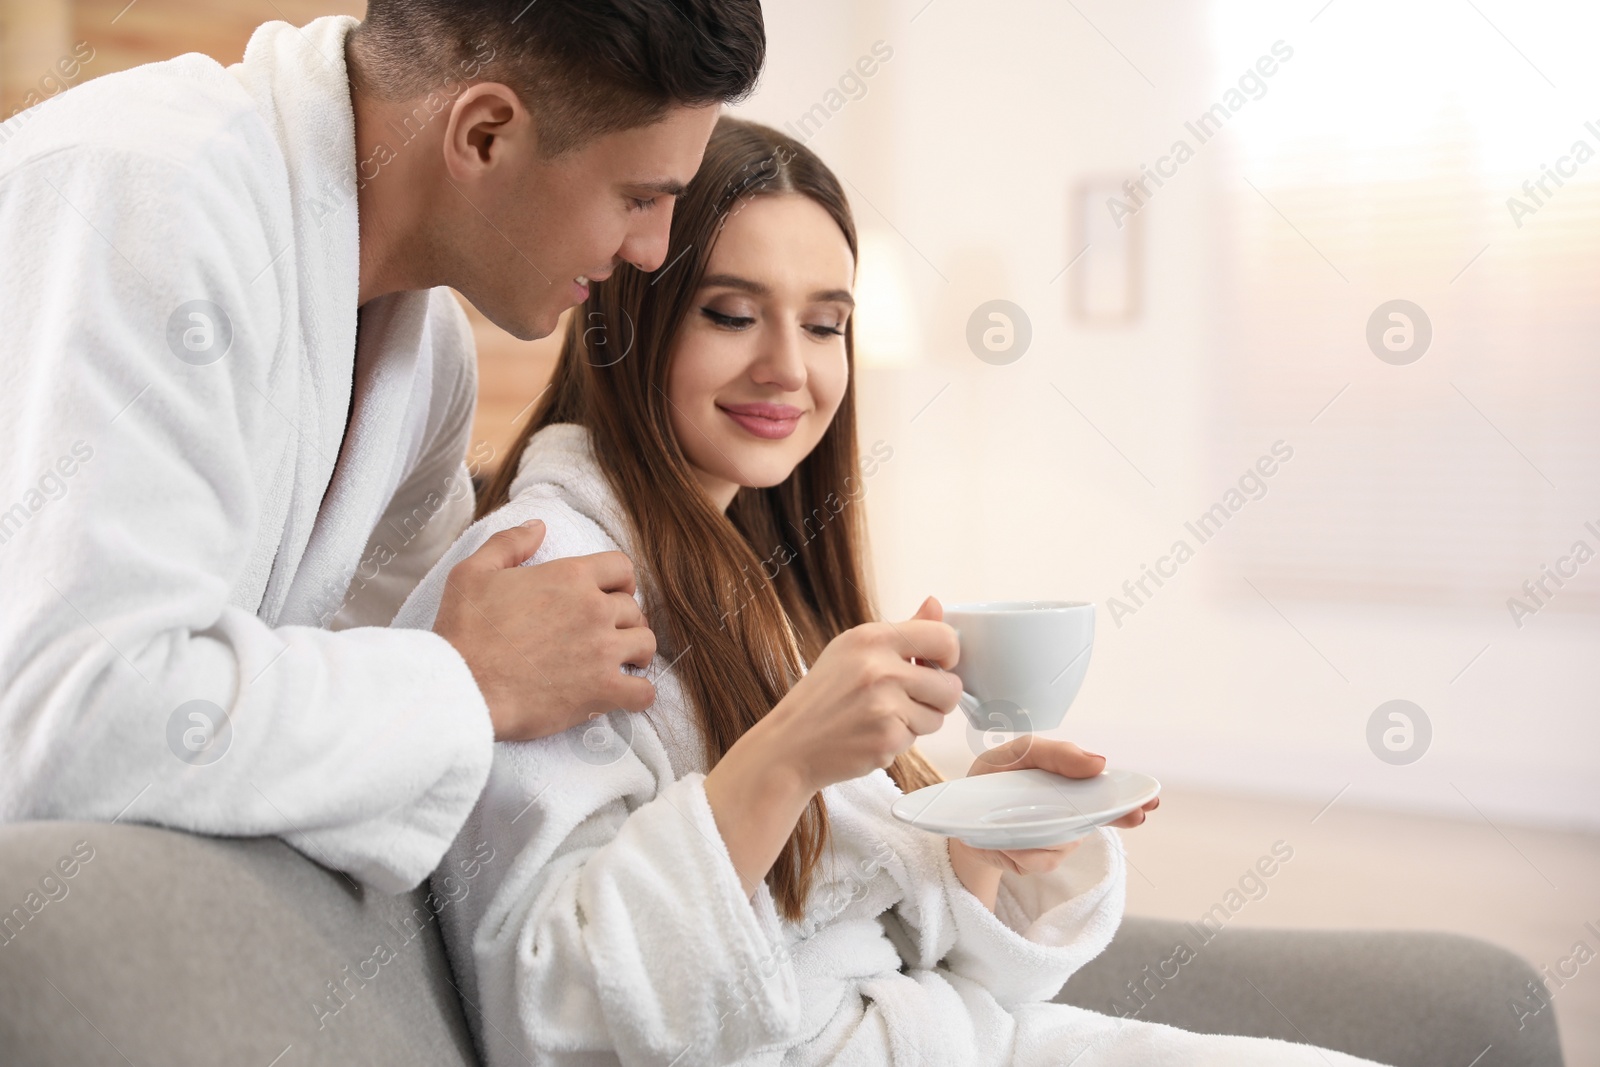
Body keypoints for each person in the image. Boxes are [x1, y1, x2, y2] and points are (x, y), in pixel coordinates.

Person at [391, 117, 1390, 1066]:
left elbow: (846, 918)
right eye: (732, 313)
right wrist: (784, 756)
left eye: (825, 324)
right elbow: (553, 1012)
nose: (789, 367)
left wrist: (978, 837)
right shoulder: (547, 579)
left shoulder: (752, 574)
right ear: (629, 319)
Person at [0, 1, 764, 893]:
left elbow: (385, 739)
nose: (652, 250)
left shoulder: (429, 363)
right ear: (483, 134)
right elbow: (72, 724)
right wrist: (467, 680)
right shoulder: (148, 199)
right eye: (638, 197)